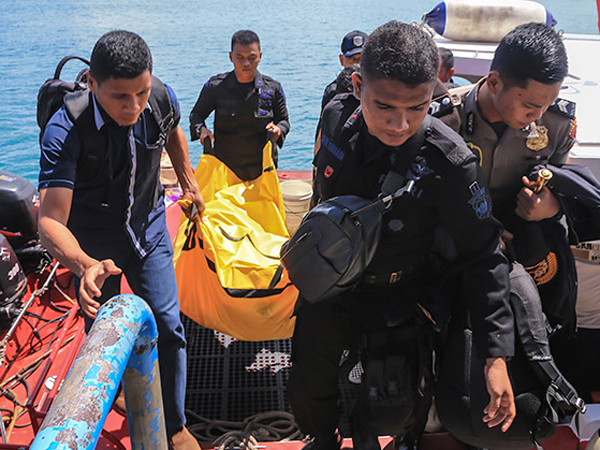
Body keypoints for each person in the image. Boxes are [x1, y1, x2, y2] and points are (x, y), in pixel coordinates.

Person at [288, 21, 515, 450]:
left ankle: (372, 433)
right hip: (330, 288)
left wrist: (496, 355)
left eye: (417, 107)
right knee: (306, 384)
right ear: (357, 85)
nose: (400, 123)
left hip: (397, 294)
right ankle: (323, 435)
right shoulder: (337, 117)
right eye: (385, 106)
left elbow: (484, 256)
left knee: (391, 404)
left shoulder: (450, 163)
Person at [38, 30, 204, 450]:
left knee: (168, 326)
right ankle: (127, 412)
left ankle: (175, 425)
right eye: (120, 97)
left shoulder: (160, 98)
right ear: (92, 82)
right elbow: (50, 219)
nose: (134, 107)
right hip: (94, 247)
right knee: (106, 340)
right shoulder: (66, 129)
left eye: (141, 93)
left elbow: (172, 132)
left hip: (148, 229)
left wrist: (188, 181)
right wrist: (82, 264)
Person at [189, 30, 290, 181]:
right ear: (231, 57)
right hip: (225, 171)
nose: (246, 63)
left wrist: (278, 130)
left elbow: (284, 121)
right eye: (240, 57)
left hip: (262, 171)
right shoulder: (216, 87)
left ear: (260, 57)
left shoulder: (272, 89)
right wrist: (202, 130)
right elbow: (196, 116)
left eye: (252, 57)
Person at [320, 30, 368, 111]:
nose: (357, 64)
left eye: (362, 59)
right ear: (342, 60)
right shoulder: (332, 92)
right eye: (352, 59)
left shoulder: (379, 89)